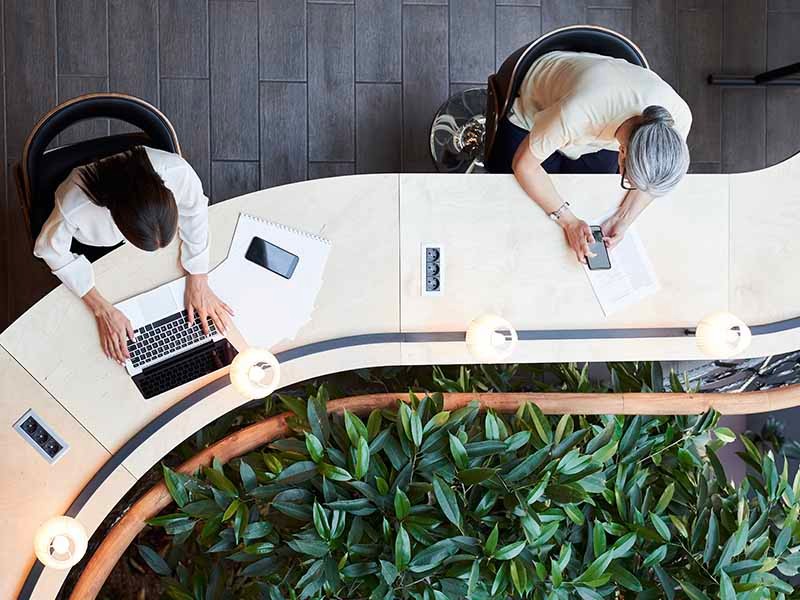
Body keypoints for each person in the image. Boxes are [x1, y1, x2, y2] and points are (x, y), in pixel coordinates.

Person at [34, 145, 233, 365]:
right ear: (116, 220)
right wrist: (102, 309)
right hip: (93, 249)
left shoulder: (176, 171)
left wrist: (198, 277)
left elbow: (195, 210)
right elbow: (49, 250)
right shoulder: (75, 206)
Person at [488, 50, 692, 264]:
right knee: (513, 197)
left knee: (586, 194)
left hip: (593, 134)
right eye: (630, 180)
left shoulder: (678, 120)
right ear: (622, 153)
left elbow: (652, 183)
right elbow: (524, 166)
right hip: (535, 112)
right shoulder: (578, 113)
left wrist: (623, 219)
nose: (634, 186)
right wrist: (569, 222)